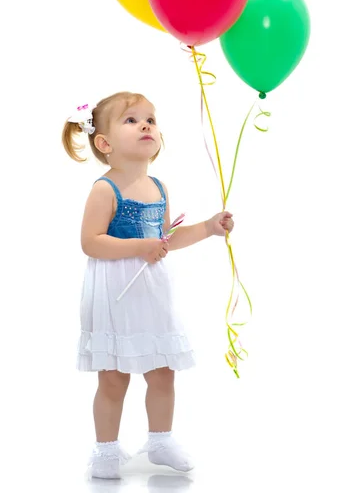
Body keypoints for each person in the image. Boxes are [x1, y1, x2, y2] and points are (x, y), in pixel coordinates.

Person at [62, 91, 234, 479]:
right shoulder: (104, 189)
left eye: (151, 120)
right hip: (115, 290)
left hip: (152, 291)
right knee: (113, 375)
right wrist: (141, 246)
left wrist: (208, 228)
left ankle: (161, 440)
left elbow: (166, 238)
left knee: (162, 370)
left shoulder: (158, 186)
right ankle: (105, 450)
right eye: (131, 120)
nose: (146, 125)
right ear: (104, 143)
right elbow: (90, 242)